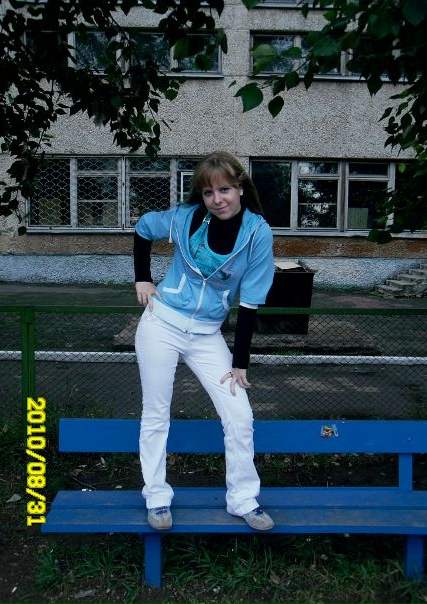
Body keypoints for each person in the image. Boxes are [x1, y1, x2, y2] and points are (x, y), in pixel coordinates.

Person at [133, 151, 275, 531]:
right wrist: (142, 277)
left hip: (207, 335)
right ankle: (157, 497)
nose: (217, 199)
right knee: (156, 413)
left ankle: (243, 499)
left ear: (240, 187)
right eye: (209, 192)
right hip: (162, 325)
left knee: (239, 414)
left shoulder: (257, 233)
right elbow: (144, 228)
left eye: (225, 190)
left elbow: (250, 301)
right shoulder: (185, 217)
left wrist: (239, 363)